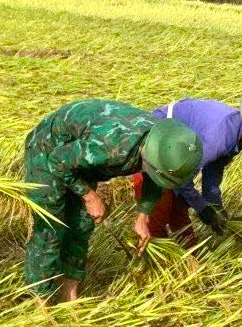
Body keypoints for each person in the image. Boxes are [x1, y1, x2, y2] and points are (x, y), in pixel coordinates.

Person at [23, 100, 203, 302]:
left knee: (81, 224)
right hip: (48, 150)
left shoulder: (161, 143)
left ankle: (69, 296)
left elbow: (156, 177)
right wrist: (90, 196)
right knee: (50, 228)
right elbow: (57, 161)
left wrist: (143, 217)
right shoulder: (113, 146)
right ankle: (39, 300)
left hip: (81, 159)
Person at [135, 94, 242, 243]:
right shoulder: (217, 136)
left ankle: (190, 260)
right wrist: (203, 209)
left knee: (180, 213)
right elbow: (180, 180)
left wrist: (214, 206)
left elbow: (213, 169)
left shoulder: (236, 131)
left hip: (177, 158)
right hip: (155, 151)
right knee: (156, 220)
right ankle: (150, 268)